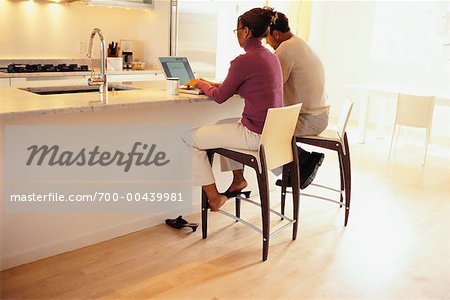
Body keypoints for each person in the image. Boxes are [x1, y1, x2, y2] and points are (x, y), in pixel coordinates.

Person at [182, 7, 283, 211]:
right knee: (223, 123)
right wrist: (206, 82)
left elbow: (220, 97)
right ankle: (238, 180)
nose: (237, 34)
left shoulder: (244, 60)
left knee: (188, 139)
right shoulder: (271, 57)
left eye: (237, 30)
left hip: (255, 134)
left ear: (246, 31)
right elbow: (236, 86)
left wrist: (198, 84)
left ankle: (214, 197)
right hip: (272, 133)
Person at [265, 11, 330, 189]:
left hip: (310, 119)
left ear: (276, 34)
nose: (267, 43)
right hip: (317, 115)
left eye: (267, 38)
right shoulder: (298, 43)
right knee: (269, 129)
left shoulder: (286, 49)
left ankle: (303, 162)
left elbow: (273, 85)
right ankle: (296, 167)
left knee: (263, 132)